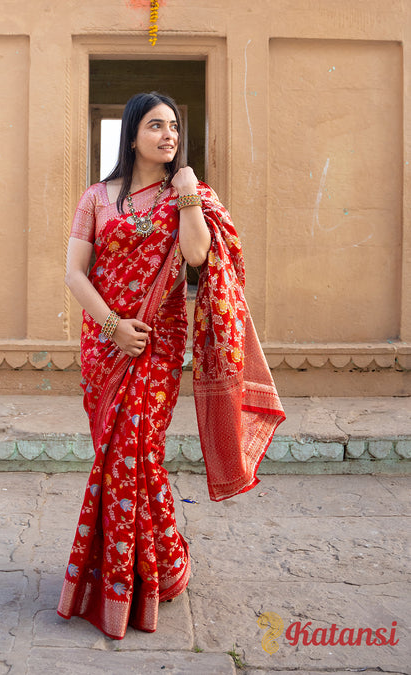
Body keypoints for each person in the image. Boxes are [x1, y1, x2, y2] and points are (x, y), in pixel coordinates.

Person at [57, 92, 285, 640]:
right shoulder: (97, 197)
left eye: (175, 127)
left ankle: (146, 571)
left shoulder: (189, 193)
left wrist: (186, 196)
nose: (169, 135)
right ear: (132, 134)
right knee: (114, 456)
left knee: (139, 453)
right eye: (156, 126)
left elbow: (198, 257)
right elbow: (73, 272)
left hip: (158, 345)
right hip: (106, 345)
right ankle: (137, 567)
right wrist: (113, 326)